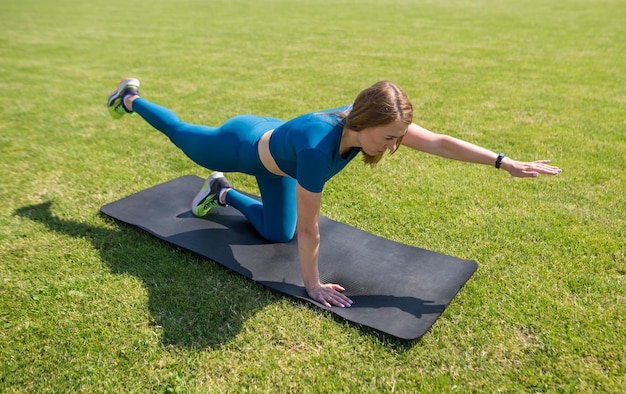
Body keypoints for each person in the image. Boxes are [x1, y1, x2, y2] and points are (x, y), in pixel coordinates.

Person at [107, 78, 562, 309]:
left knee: (272, 234)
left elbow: (439, 142)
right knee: (185, 135)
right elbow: (310, 230)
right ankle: (131, 100)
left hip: (277, 156)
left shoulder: (367, 122)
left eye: (399, 136)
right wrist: (312, 284)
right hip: (242, 143)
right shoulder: (318, 151)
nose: (396, 145)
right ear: (361, 126)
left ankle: (221, 192)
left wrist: (504, 162)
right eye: (389, 138)